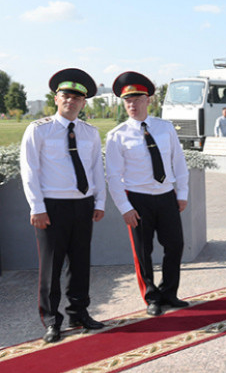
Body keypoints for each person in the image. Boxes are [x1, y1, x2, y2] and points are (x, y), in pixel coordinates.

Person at [20, 68, 107, 343]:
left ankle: (79, 312)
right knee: (51, 266)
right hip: (52, 207)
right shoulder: (39, 129)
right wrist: (37, 207)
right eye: (65, 95)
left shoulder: (89, 133)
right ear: (56, 99)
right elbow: (30, 170)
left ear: (83, 103)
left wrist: (100, 201)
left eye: (77, 98)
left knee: (80, 264)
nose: (71, 101)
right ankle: (51, 320)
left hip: (82, 205)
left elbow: (96, 170)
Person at [105, 71, 190, 317]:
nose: (132, 105)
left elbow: (179, 162)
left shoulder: (165, 128)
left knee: (175, 245)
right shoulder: (117, 135)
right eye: (127, 101)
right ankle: (151, 297)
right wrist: (125, 207)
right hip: (138, 199)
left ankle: (169, 292)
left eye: (137, 99)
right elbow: (113, 176)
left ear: (148, 100)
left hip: (166, 196)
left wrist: (181, 193)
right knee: (143, 251)